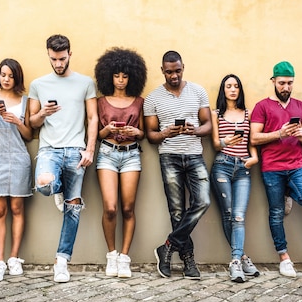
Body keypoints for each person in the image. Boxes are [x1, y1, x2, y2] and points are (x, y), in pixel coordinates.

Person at [28, 34, 98, 283]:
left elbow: (93, 118)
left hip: (77, 151)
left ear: (70, 54)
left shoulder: (85, 82)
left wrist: (90, 149)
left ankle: (61, 261)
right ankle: (57, 186)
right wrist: (42, 113)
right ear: (48, 55)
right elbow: (31, 122)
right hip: (50, 150)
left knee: (73, 208)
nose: (58, 63)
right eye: (53, 59)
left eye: (62, 58)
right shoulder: (38, 84)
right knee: (45, 186)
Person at [144, 50, 212, 280]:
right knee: (176, 211)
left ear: (184, 67)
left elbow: (208, 125)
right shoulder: (153, 98)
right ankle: (188, 261)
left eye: (178, 71)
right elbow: (150, 135)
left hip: (194, 154)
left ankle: (168, 246)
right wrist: (165, 132)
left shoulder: (198, 91)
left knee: (203, 201)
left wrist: (195, 130)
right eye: (169, 72)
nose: (174, 75)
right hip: (169, 156)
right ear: (162, 70)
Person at [250, 61, 302, 277]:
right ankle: (284, 257)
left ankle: (289, 192)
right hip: (272, 168)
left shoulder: (300, 106)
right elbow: (254, 137)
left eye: (289, 83)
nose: (286, 87)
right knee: (276, 212)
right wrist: (279, 134)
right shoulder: (262, 107)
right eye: (281, 83)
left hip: (297, 165)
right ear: (273, 81)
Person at [94, 47, 147, 278]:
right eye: (117, 75)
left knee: (127, 208)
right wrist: (106, 130)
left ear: (132, 76)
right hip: (107, 153)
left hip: (131, 155)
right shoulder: (101, 101)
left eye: (125, 75)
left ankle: (124, 257)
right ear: (109, 76)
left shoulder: (139, 101)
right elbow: (96, 134)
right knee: (110, 207)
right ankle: (112, 255)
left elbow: (144, 133)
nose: (121, 80)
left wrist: (136, 131)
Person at [0, 58, 33, 282]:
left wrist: (17, 122)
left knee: (17, 208)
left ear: (17, 77)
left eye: (11, 75)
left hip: (19, 158)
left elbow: (29, 135)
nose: (6, 79)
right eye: (3, 75)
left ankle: (14, 257)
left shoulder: (25, 101)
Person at [209, 74, 260, 283]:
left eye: (236, 86)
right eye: (229, 86)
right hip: (222, 164)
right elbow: (214, 143)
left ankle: (236, 261)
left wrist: (254, 158)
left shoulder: (248, 113)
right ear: (223, 90)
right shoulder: (216, 114)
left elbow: (251, 142)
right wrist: (225, 140)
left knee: (238, 215)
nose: (233, 90)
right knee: (229, 213)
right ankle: (241, 259)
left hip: (243, 168)